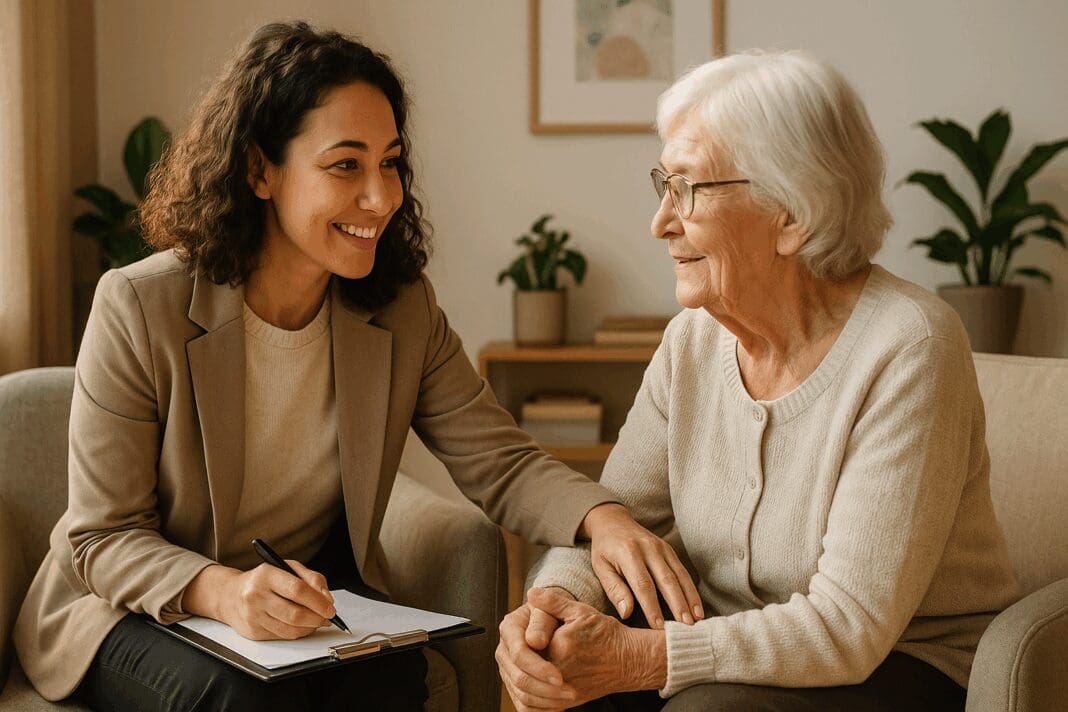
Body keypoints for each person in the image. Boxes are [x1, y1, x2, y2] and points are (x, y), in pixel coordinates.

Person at [13, 22, 701, 711]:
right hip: (129, 610)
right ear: (259, 170)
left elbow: (501, 460)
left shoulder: (402, 311)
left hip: (306, 612)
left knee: (392, 683)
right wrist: (223, 592)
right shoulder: (140, 304)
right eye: (346, 165)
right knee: (238, 699)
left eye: (391, 161)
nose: (382, 197)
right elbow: (102, 538)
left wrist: (604, 518)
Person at [496, 50, 1019, 711]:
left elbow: (848, 627)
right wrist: (553, 607)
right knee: (564, 675)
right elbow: (618, 520)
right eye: (662, 184)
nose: (661, 223)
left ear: (792, 214)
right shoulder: (693, 339)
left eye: (687, 188)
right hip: (725, 646)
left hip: (899, 664)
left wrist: (640, 658)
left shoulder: (910, 345)